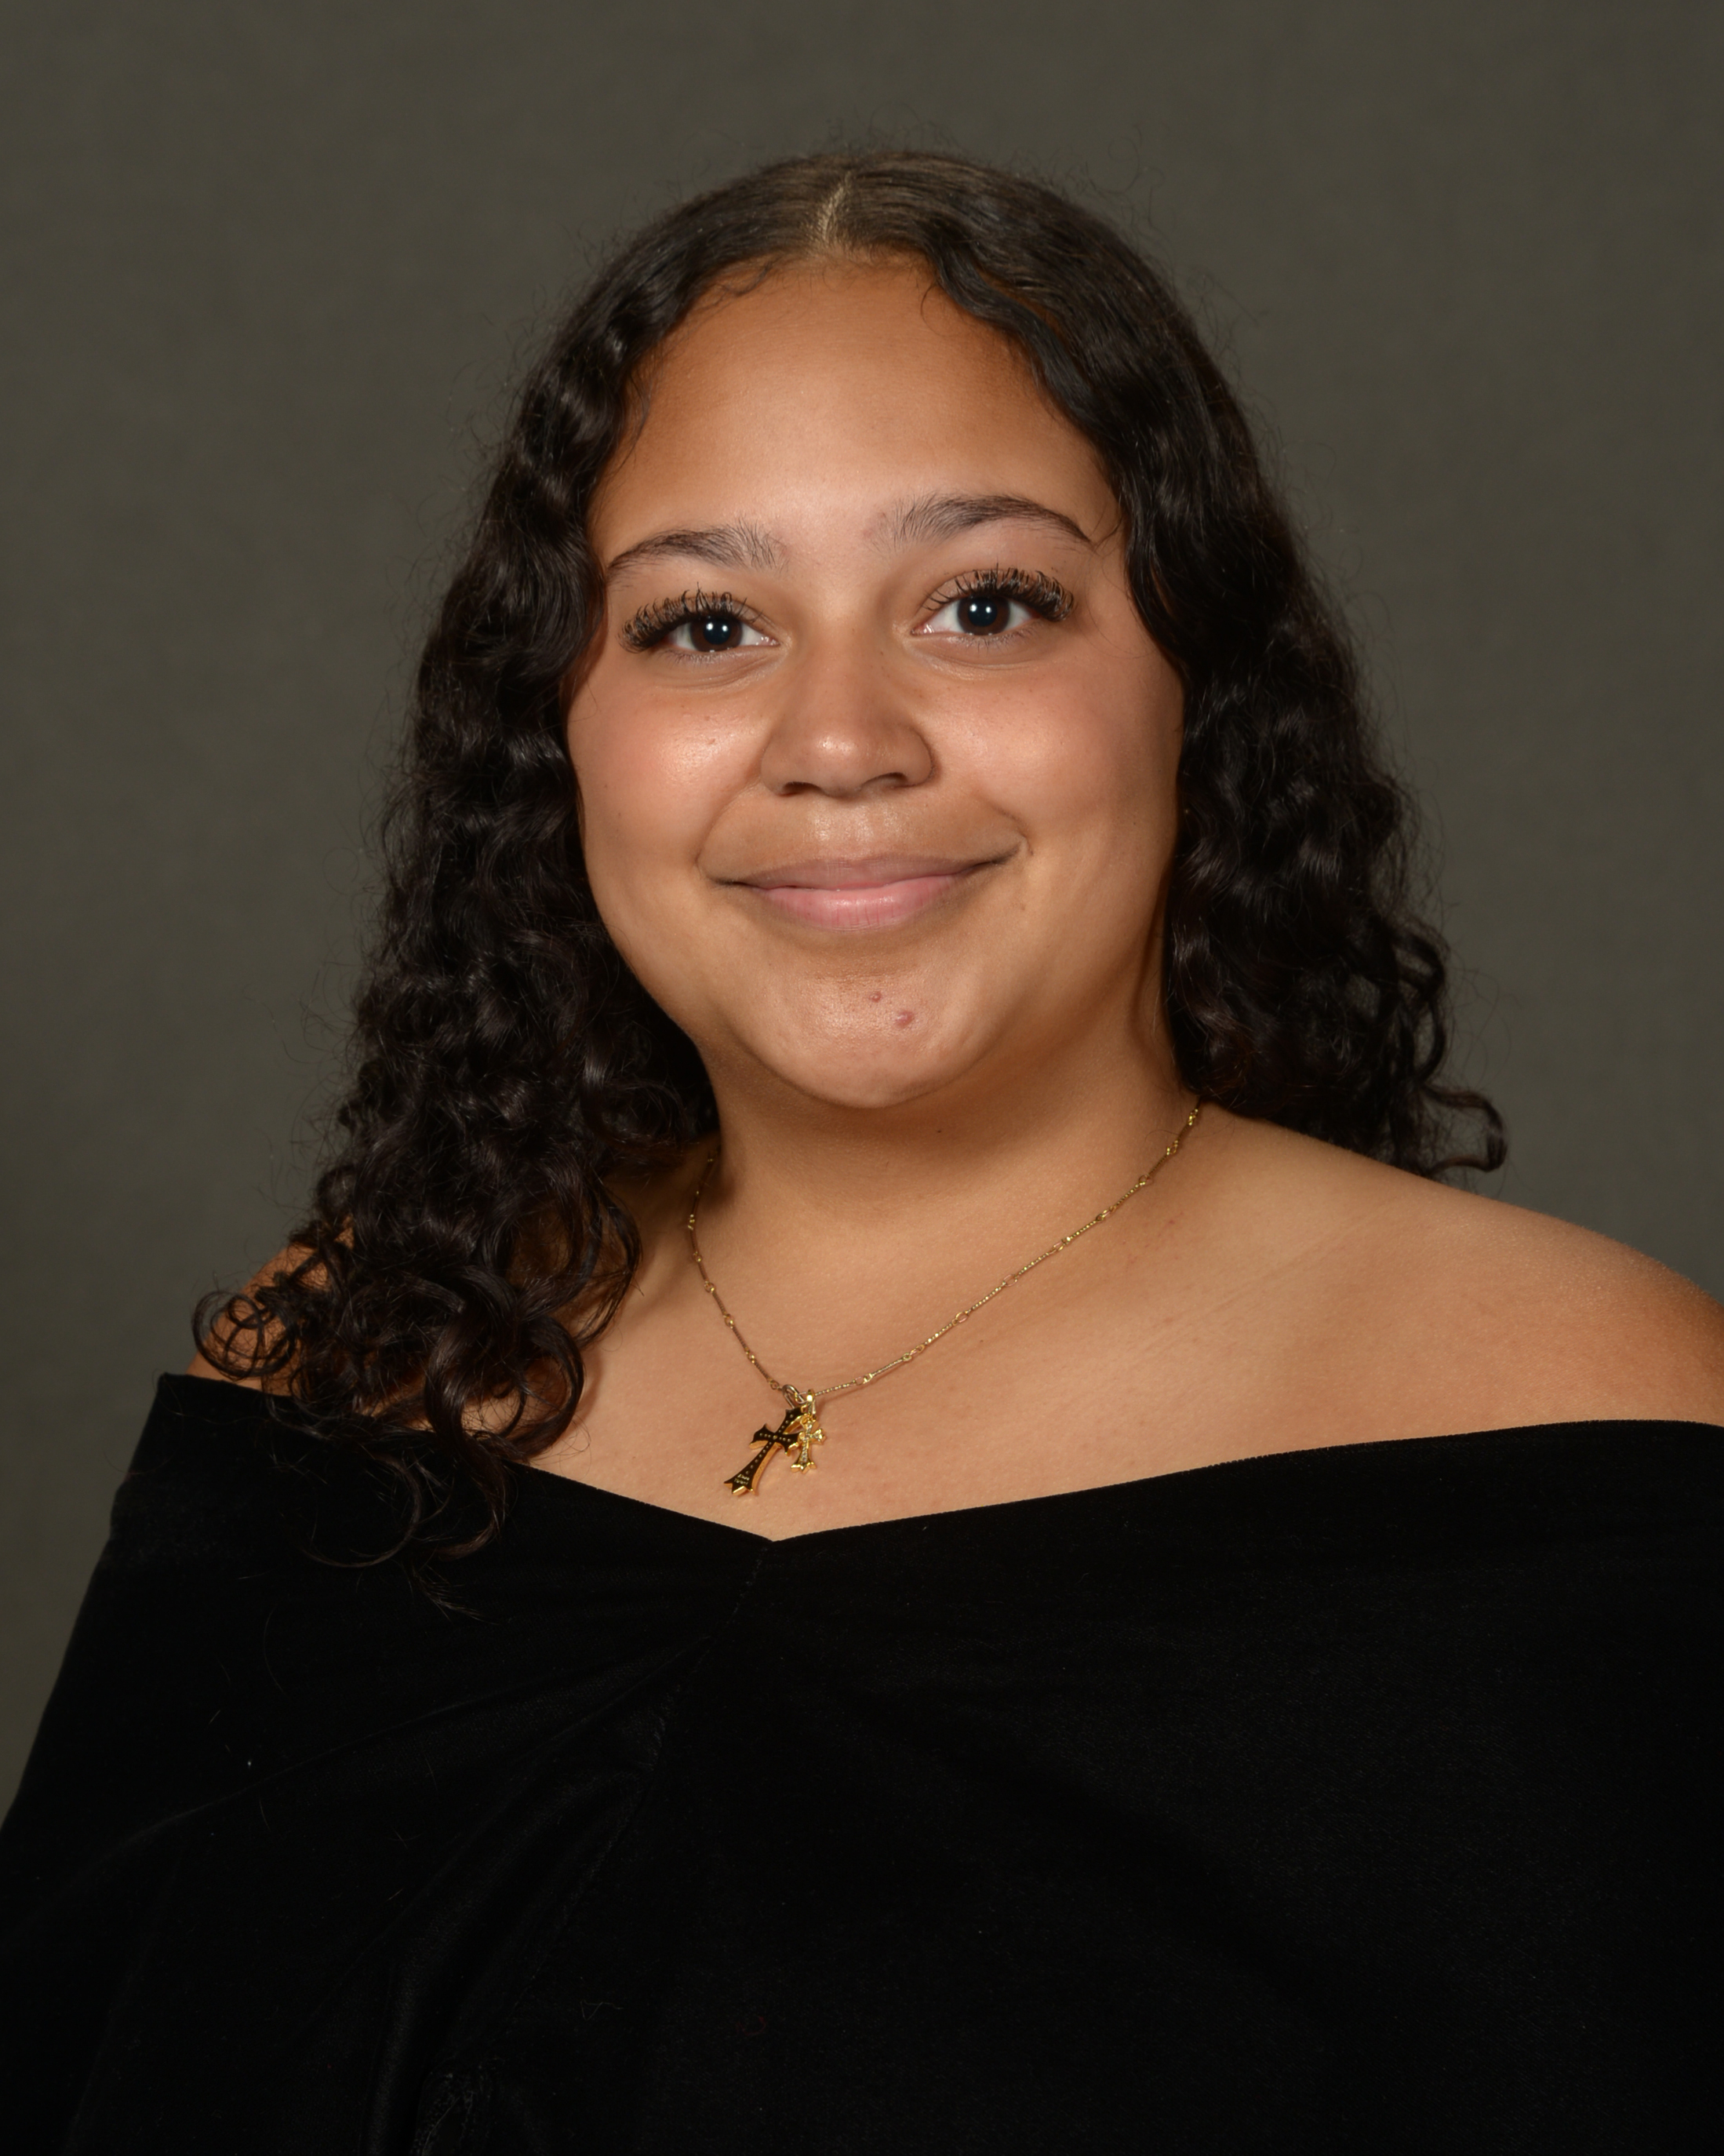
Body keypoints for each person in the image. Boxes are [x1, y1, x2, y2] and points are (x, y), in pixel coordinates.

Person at [2, 149, 1719, 2154]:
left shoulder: (1585, 1432)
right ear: (557, 731)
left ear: (1196, 684)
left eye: (985, 605)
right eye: (704, 623)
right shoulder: (342, 1375)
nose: (839, 739)